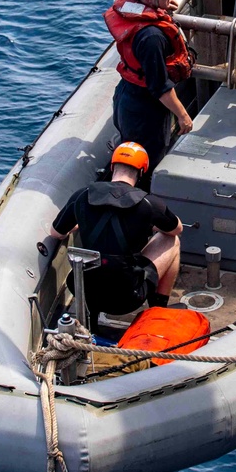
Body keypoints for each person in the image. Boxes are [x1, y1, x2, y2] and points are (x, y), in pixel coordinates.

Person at [42, 143, 183, 334]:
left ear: (112, 167)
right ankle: (158, 312)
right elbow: (176, 229)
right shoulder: (149, 204)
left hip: (83, 291)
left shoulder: (82, 196)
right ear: (141, 172)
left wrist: (81, 223)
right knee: (171, 242)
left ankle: (90, 320)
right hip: (127, 298)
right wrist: (149, 223)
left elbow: (56, 233)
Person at [104, 0, 194, 187]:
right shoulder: (151, 37)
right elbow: (159, 87)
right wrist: (183, 116)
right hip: (145, 110)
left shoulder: (136, 8)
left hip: (127, 95)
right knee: (145, 162)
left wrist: (162, 6)